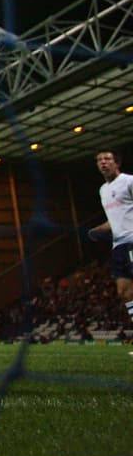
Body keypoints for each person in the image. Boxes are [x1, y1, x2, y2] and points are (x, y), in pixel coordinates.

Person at [89, 148, 133, 353]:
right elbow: (114, 218)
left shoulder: (129, 181)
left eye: (107, 159)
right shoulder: (103, 190)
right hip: (118, 247)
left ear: (117, 163)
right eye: (99, 160)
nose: (103, 163)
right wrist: (98, 229)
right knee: (124, 293)